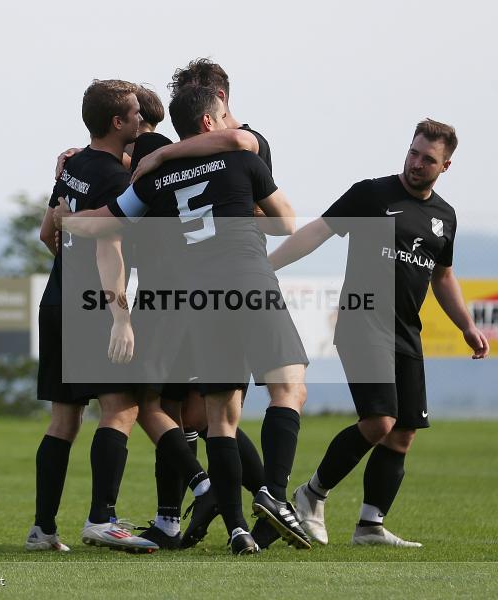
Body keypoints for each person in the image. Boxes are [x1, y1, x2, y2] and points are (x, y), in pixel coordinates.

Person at [55, 85, 311, 555]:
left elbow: (106, 223)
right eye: (229, 113)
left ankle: (224, 523)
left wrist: (64, 212)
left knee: (212, 416)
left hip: (193, 297)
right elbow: (287, 223)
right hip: (240, 282)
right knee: (284, 387)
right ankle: (271, 493)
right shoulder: (241, 156)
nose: (237, 123)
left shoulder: (156, 175)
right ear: (212, 119)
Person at [269, 118, 489, 547]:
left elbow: (443, 276)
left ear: (446, 166)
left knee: (403, 431)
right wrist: (268, 265)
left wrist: (466, 325)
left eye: (428, 159)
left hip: (406, 331)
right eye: (413, 152)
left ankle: (370, 524)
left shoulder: (445, 217)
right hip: (361, 321)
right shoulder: (372, 194)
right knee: (380, 420)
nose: (416, 164)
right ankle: (311, 495)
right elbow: (318, 230)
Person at [27, 79, 154, 552]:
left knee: (64, 419)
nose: (142, 120)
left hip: (57, 300)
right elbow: (111, 252)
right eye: (137, 114)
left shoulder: (73, 164)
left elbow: (46, 232)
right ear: (118, 122)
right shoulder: (117, 180)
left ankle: (42, 529)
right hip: (93, 306)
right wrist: (120, 317)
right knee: (122, 408)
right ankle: (102, 519)